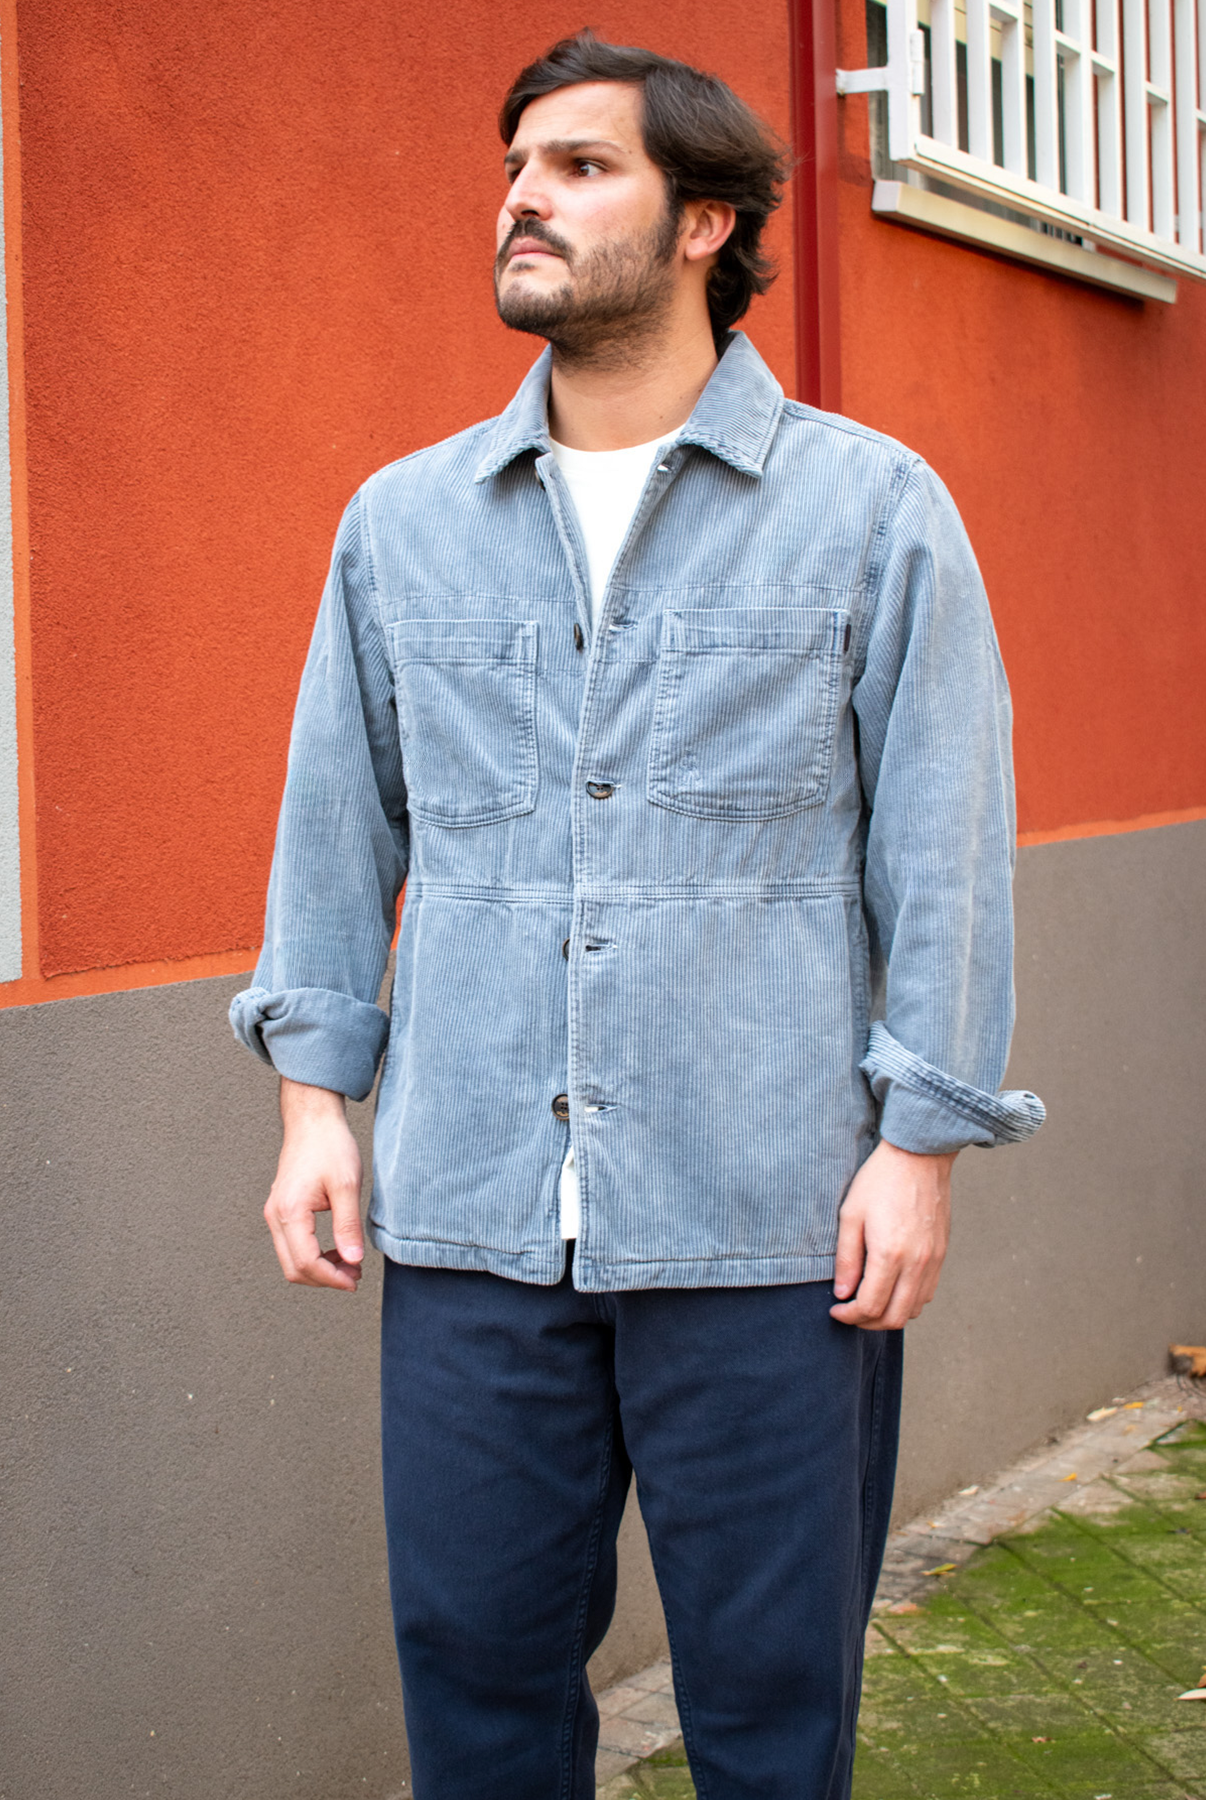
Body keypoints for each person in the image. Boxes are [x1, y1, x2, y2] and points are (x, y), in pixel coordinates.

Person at [230, 30, 1044, 1799]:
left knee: (770, 1701)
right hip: (472, 1221)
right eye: (515, 168)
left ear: (705, 221)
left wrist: (920, 1145)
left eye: (580, 166)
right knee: (473, 1676)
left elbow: (946, 850)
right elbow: (333, 823)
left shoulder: (867, 509)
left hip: (767, 1230)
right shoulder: (403, 524)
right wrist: (312, 1103)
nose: (522, 199)